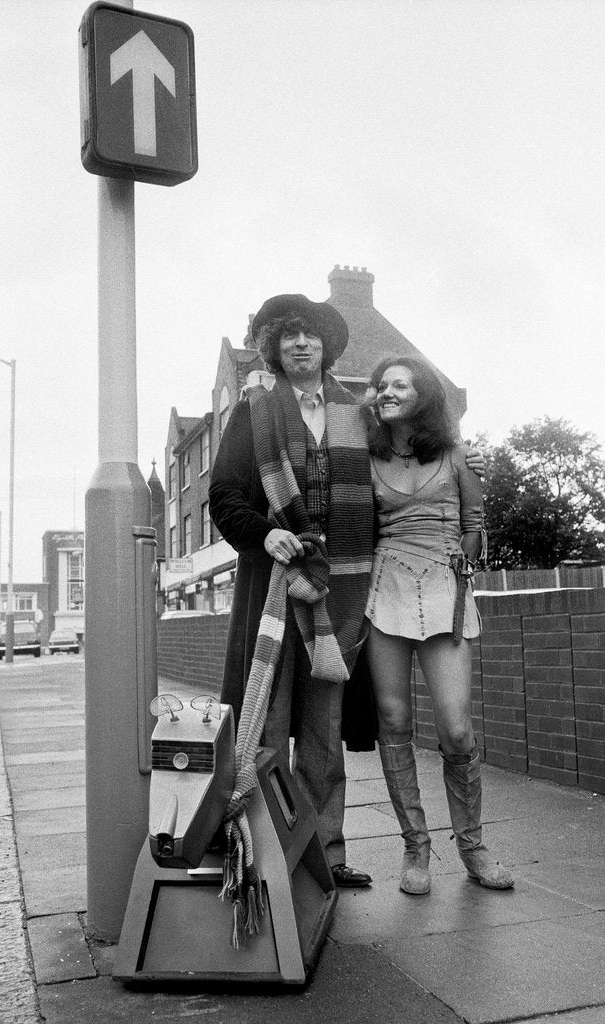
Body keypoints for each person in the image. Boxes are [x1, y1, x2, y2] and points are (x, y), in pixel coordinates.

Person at [209, 294, 485, 889]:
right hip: (275, 591)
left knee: (321, 735)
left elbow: (412, 454)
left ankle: (324, 858)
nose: (301, 344)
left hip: (343, 596)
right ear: (274, 346)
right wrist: (268, 534)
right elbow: (225, 499)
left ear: (327, 346)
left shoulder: (356, 414)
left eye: (311, 335)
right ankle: (260, 855)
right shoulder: (254, 411)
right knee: (265, 722)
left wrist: (466, 459)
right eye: (289, 336)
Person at [363, 355, 514, 895]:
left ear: (422, 394)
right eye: (381, 386)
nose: (386, 391)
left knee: (455, 728)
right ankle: (416, 847)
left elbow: (475, 522)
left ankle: (472, 846)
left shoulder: (455, 455)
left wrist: (463, 563)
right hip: (386, 592)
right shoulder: (366, 456)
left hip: (446, 589)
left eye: (399, 384)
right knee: (393, 718)